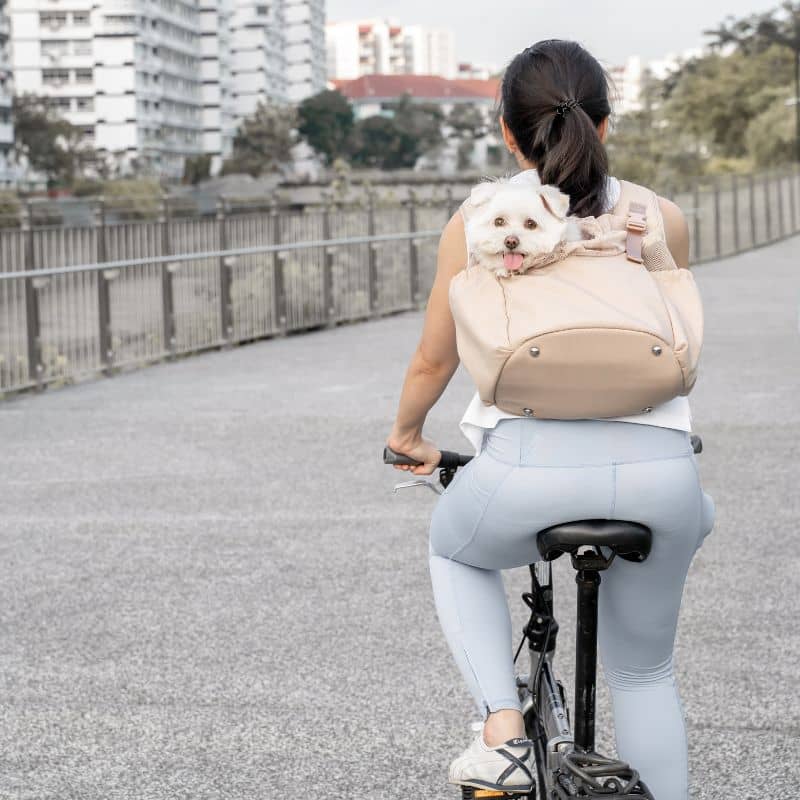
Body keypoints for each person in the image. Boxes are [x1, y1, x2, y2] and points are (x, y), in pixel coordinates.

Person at [385, 39, 716, 800]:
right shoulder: (657, 217)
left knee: (455, 551)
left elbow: (433, 364)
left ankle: (502, 734)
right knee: (646, 671)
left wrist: (406, 437)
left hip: (526, 468)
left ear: (506, 131)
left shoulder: (478, 219)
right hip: (658, 468)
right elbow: (674, 343)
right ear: (607, 124)